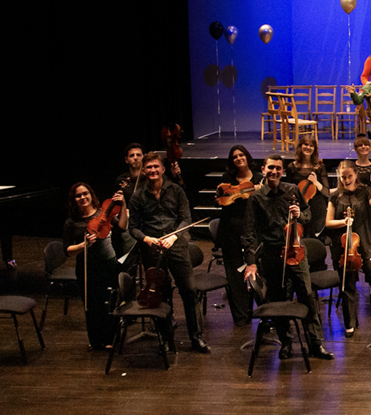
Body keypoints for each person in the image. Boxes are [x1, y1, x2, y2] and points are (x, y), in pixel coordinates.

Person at [242, 155, 334, 361]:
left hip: (297, 252)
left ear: (283, 171)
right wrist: (251, 262)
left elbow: (308, 214)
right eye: (270, 168)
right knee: (278, 299)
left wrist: (300, 214)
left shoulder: (292, 190)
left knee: (307, 297)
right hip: (272, 254)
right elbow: (249, 232)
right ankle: (286, 342)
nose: (274, 172)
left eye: (278, 168)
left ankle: (315, 343)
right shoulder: (256, 198)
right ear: (263, 169)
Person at [127, 152, 207, 353]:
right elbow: (133, 227)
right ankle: (165, 338)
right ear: (144, 171)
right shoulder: (137, 196)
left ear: (163, 169)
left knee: (189, 290)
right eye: (149, 167)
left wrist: (173, 237)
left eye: (156, 166)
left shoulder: (176, 190)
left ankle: (196, 337)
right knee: (159, 294)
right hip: (152, 249)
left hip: (176, 246)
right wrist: (147, 239)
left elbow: (186, 219)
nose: (153, 170)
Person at [325, 161, 371, 339]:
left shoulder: (366, 191)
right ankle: (350, 324)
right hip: (343, 247)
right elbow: (328, 222)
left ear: (356, 174)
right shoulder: (335, 195)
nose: (346, 180)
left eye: (349, 176)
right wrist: (343, 222)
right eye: (343, 177)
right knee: (347, 285)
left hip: (366, 244)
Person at [64, 183, 124, 349]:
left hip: (108, 264)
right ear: (74, 200)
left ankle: (111, 339)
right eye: (78, 196)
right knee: (91, 305)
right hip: (86, 266)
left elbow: (122, 227)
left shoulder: (103, 213)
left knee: (109, 302)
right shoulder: (71, 222)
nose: (82, 198)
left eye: (85, 194)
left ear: (91, 195)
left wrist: (122, 204)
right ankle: (96, 341)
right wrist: (83, 245)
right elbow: (67, 250)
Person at [215, 145, 261, 326]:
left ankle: (264, 313)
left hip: (254, 230)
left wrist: (258, 190)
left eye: (241, 155)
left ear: (247, 157)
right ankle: (241, 316)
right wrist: (221, 197)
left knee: (258, 271)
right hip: (231, 231)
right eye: (235, 157)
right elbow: (221, 199)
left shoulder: (259, 179)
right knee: (235, 275)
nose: (238, 158)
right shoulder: (227, 179)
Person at [284, 136, 330, 237]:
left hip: (316, 207)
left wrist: (316, 182)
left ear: (314, 149)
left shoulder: (320, 167)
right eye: (306, 144)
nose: (308, 147)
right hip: (300, 207)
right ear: (300, 146)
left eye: (311, 145)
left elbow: (326, 192)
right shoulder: (292, 167)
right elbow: (288, 190)